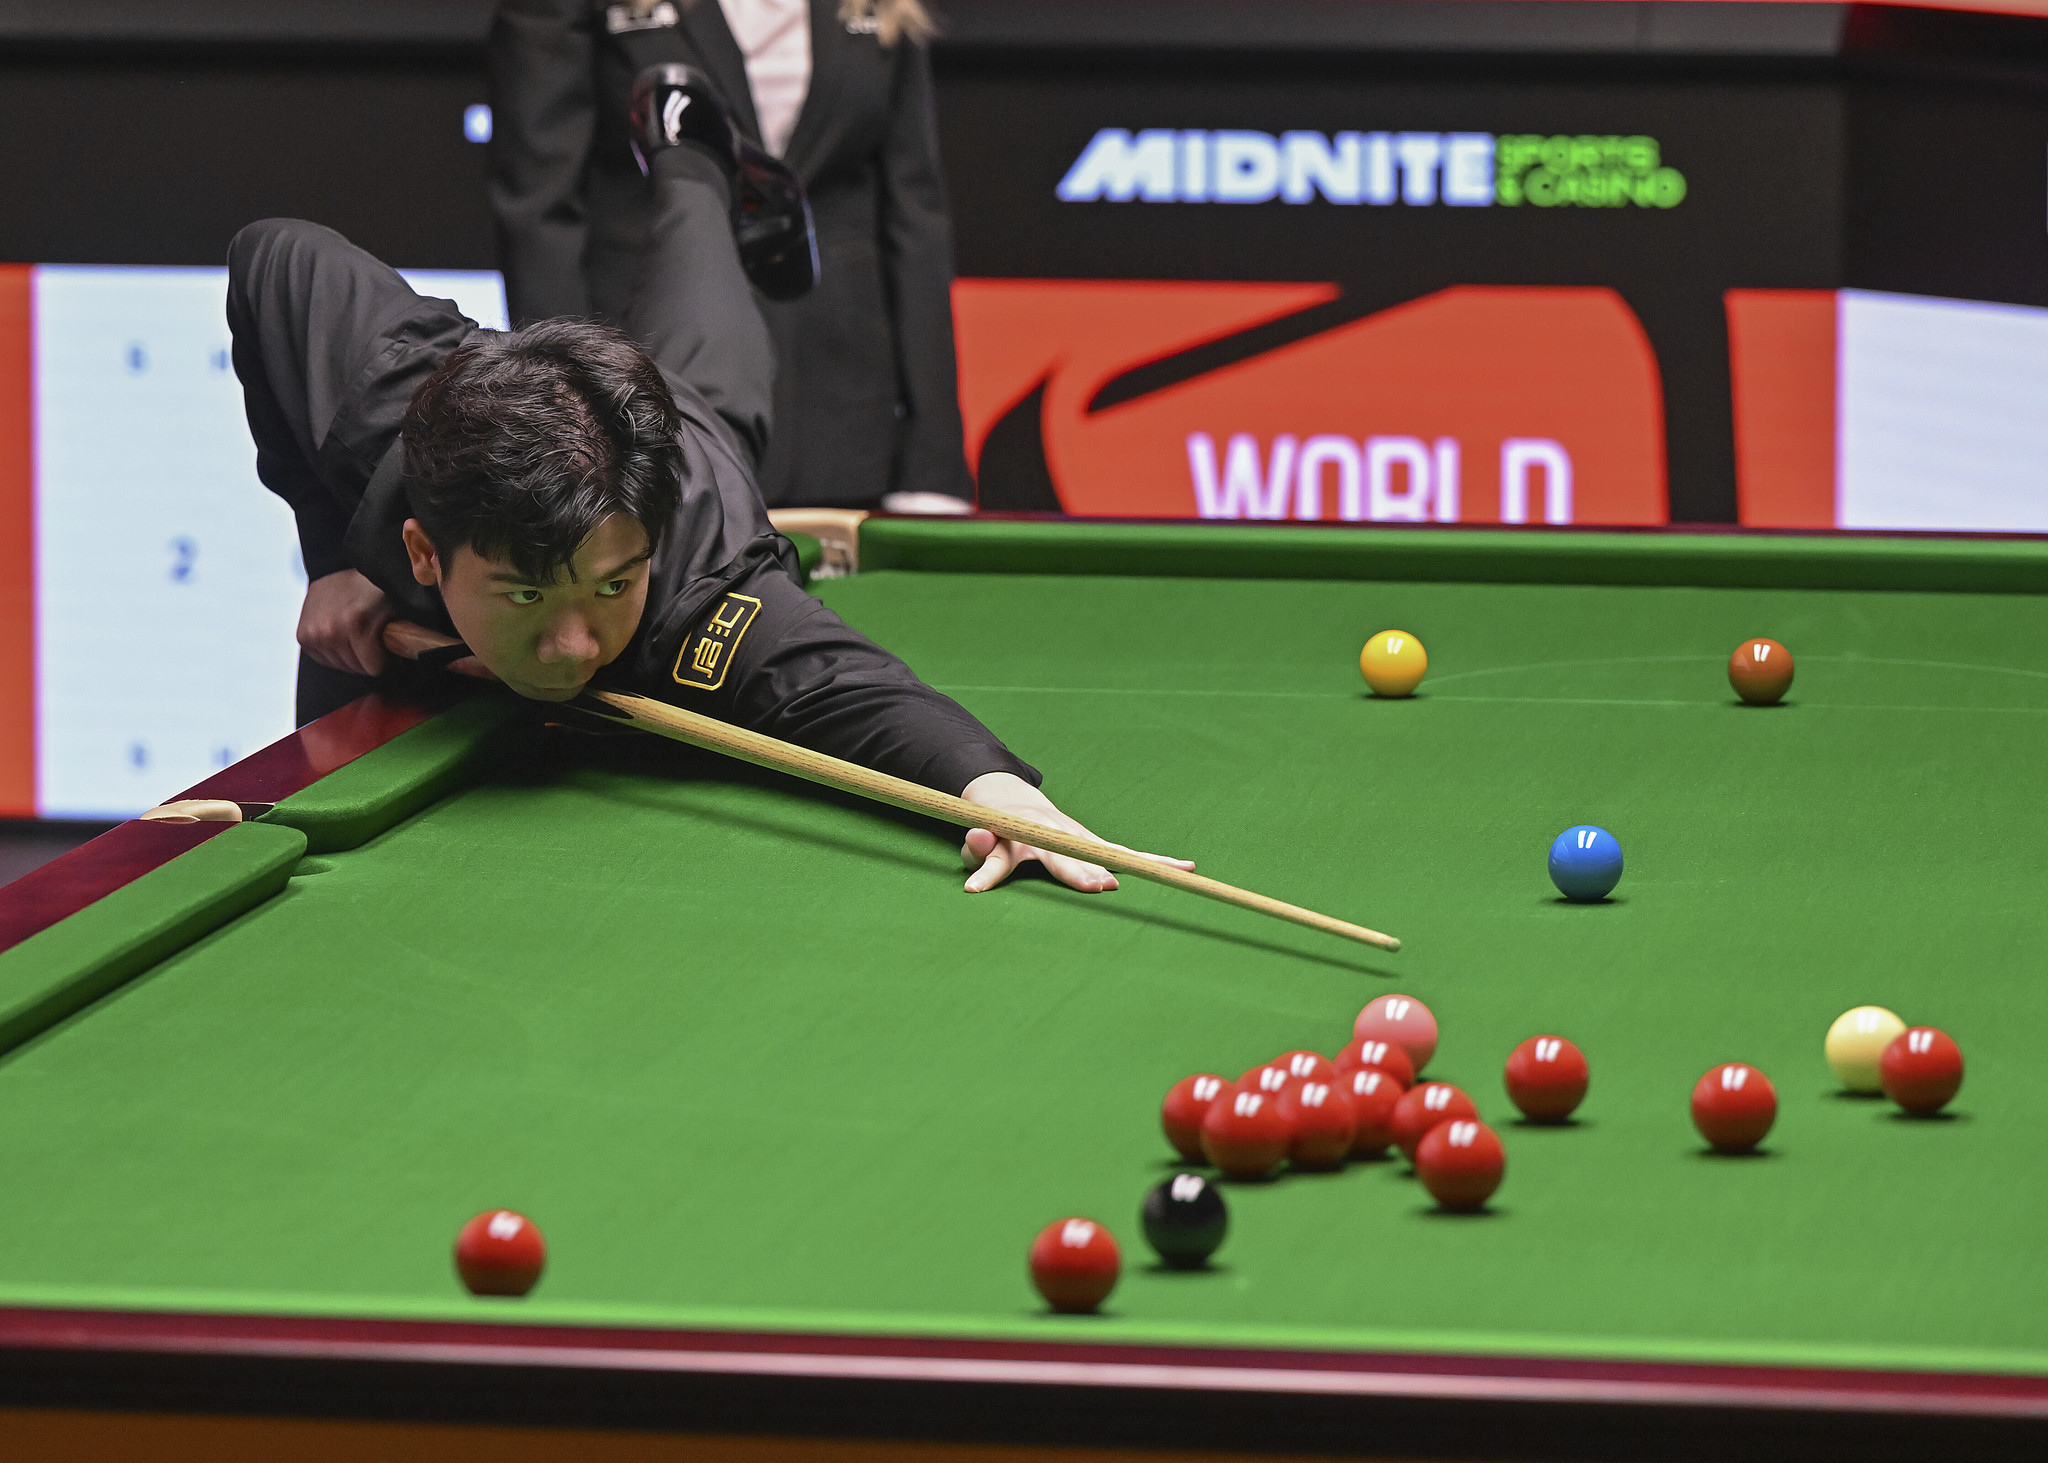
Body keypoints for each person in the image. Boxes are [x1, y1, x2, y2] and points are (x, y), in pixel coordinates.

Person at [228, 68, 1182, 895]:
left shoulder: (701, 593)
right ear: (424, 552)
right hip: (488, 397)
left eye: (611, 587)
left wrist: (1002, 795)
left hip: (685, 427)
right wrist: (333, 552)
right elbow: (271, 252)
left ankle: (688, 142)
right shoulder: (377, 396)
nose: (573, 647)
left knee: (704, 255)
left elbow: (855, 693)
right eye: (526, 595)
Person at [488, 0, 975, 514]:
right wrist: (562, 432)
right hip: (649, 404)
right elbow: (538, 214)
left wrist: (933, 461)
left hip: (844, 419)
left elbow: (914, 221)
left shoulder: (881, 8)